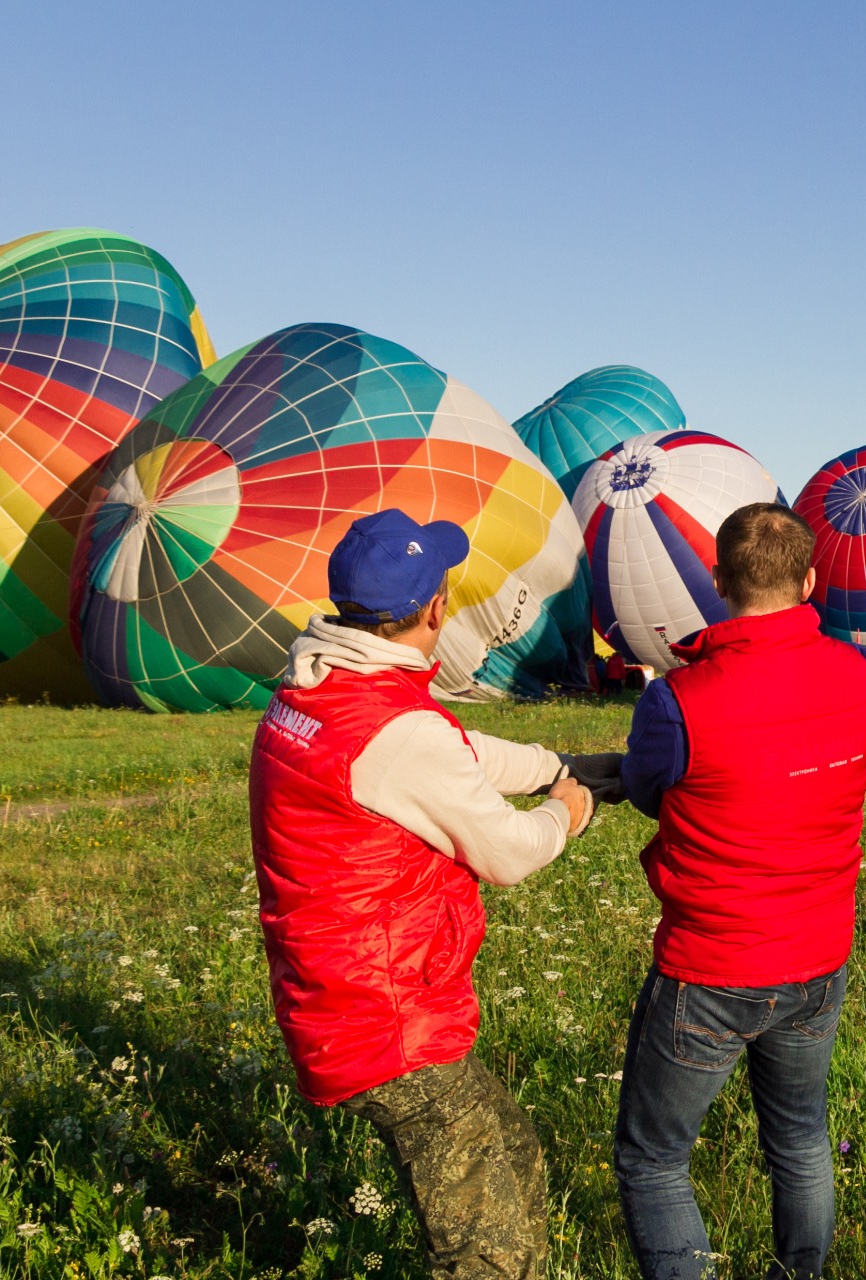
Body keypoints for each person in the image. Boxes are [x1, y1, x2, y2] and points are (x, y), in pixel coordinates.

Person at [248, 508, 608, 1280]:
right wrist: (565, 813)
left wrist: (555, 761)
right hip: (387, 1019)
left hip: (342, 997)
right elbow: (508, 852)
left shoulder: (321, 687)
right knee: (487, 1251)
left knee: (509, 1145)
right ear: (438, 609)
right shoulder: (395, 731)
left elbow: (455, 750)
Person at [599, 502, 866, 1280]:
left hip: (712, 967)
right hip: (817, 959)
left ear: (717, 580)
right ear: (811, 579)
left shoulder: (678, 700)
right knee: (799, 1139)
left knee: (654, 1160)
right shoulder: (860, 677)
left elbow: (651, 788)